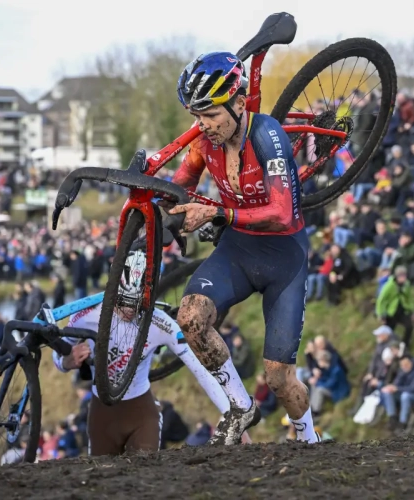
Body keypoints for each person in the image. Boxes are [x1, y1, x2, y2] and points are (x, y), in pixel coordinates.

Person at [168, 52, 318, 445]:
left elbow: (283, 213)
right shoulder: (204, 142)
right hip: (238, 250)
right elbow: (179, 185)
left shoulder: (267, 135)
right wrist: (159, 205)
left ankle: (308, 437)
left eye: (211, 114)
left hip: (283, 256)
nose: (203, 125)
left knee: (278, 378)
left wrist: (217, 213)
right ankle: (239, 406)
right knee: (191, 318)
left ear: (238, 103)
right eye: (197, 115)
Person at [53, 251, 231, 455]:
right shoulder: (86, 314)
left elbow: (201, 371)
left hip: (142, 412)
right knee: (102, 480)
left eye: (136, 304)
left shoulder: (160, 322)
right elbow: (58, 354)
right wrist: (67, 362)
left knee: (144, 476)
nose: (129, 310)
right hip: (102, 415)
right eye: (123, 302)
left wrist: (232, 415)